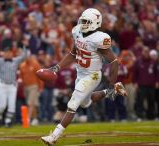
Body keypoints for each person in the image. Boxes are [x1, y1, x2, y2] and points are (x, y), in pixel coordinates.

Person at [41, 8, 127, 145]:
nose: (84, 24)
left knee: (73, 103)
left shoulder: (99, 38)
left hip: (92, 75)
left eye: (87, 21)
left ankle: (54, 136)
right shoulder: (78, 32)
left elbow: (114, 62)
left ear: (95, 22)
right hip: (80, 74)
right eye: (83, 21)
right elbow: (72, 54)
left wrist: (110, 83)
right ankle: (116, 89)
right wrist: (57, 67)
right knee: (85, 102)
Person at [0, 40, 27, 127]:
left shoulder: (15, 60)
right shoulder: (0, 61)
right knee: (2, 105)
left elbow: (24, 56)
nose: (8, 54)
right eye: (6, 52)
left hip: (12, 86)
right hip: (2, 85)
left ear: (12, 53)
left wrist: (25, 46)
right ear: (4, 53)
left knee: (12, 106)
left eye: (9, 52)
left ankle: (7, 121)